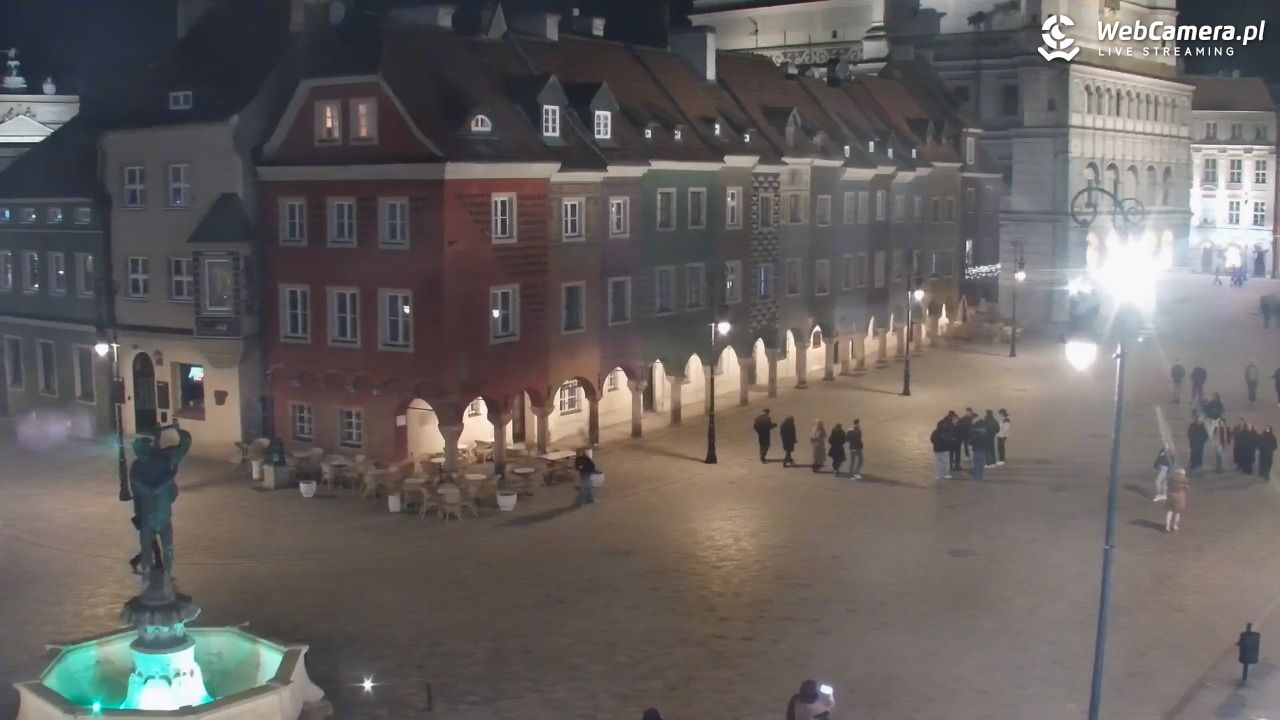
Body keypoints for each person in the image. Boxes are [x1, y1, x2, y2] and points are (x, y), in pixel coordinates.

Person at [128, 423, 192, 576]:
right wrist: (171, 476)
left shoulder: (142, 465)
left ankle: (159, 575)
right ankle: (156, 574)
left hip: (154, 515)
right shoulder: (151, 463)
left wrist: (178, 431)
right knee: (160, 547)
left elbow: (185, 444)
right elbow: (150, 489)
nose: (137, 452)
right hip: (156, 515)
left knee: (157, 547)